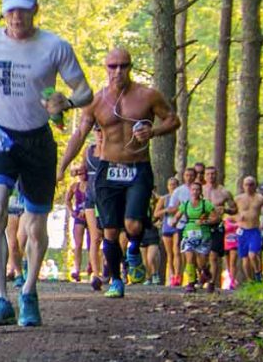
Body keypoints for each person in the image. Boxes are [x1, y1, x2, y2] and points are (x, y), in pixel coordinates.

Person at [0, 0, 93, 328]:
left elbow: (84, 91)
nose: (17, 16)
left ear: (35, 10)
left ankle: (29, 292)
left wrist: (65, 101)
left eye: (23, 9)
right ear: (4, 12)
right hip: (0, 138)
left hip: (37, 140)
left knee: (35, 225)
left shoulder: (54, 47)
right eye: (11, 10)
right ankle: (3, 298)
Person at [59, 47, 181, 299]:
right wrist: (61, 166)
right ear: (106, 69)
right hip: (107, 168)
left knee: (133, 224)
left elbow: (173, 119)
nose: (117, 71)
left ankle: (134, 248)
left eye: (123, 66)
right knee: (110, 231)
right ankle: (115, 279)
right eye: (112, 66)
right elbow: (80, 134)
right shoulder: (95, 100)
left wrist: (153, 132)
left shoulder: (148, 96)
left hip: (137, 167)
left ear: (130, 67)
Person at [178, 178, 217, 293]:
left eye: (197, 190)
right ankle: (191, 282)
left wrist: (205, 222)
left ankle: (204, 270)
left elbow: (216, 218)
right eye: (193, 189)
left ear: (200, 192)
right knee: (189, 258)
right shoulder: (185, 205)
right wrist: (174, 222)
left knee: (201, 261)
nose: (195, 192)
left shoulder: (206, 204)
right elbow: (177, 215)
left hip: (203, 235)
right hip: (188, 234)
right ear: (190, 191)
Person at [201, 166, 237, 290]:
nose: (211, 176)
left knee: (214, 255)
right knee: (201, 256)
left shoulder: (224, 192)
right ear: (205, 176)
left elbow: (234, 209)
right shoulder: (200, 191)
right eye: (208, 174)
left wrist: (226, 209)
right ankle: (205, 272)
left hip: (217, 226)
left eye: (213, 174)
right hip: (202, 225)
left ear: (217, 175)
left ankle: (212, 283)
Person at [67, 166, 98, 283]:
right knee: (78, 244)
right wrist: (72, 211)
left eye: (83, 173)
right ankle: (77, 269)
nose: (81, 176)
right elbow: (67, 199)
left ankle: (92, 267)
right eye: (79, 174)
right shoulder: (75, 187)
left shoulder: (92, 186)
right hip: (79, 217)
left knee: (93, 242)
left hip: (90, 215)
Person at [234, 176, 263, 283]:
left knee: (253, 254)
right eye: (246, 184)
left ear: (255, 185)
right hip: (242, 231)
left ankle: (257, 273)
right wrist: (237, 218)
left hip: (254, 230)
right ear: (243, 186)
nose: (249, 187)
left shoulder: (260, 198)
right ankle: (249, 280)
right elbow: (232, 213)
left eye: (251, 184)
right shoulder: (238, 199)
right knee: (245, 258)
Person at [158, 177, 184, 286]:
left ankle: (178, 275)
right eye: (170, 184)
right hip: (167, 227)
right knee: (169, 253)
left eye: (175, 184)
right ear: (168, 186)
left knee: (176, 250)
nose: (172, 187)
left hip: (178, 226)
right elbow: (156, 213)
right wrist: (166, 210)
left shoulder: (181, 198)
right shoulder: (164, 198)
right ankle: (172, 275)